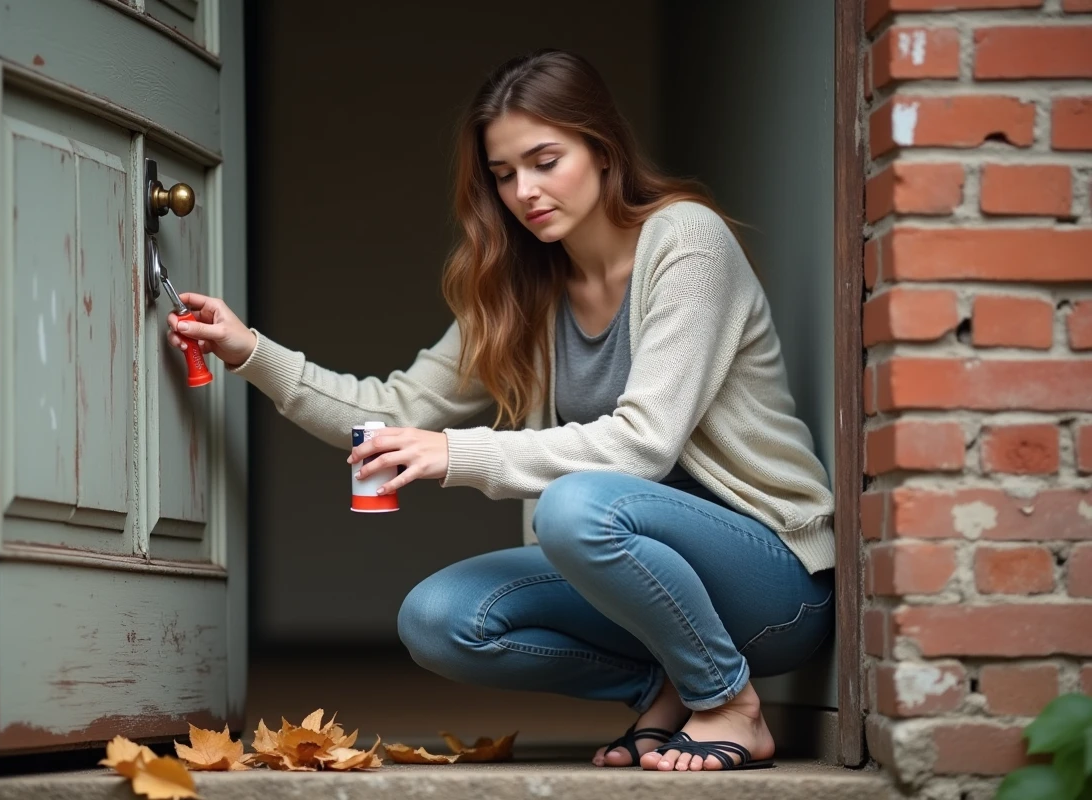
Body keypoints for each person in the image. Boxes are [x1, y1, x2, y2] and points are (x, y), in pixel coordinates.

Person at [167, 48, 836, 773]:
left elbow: (645, 444)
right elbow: (393, 409)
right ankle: (670, 686)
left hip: (774, 588)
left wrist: (458, 454)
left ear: (603, 148)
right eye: (504, 173)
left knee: (575, 508)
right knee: (438, 618)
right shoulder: (527, 287)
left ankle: (730, 700)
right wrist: (248, 350)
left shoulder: (686, 242)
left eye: (546, 160)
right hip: (647, 591)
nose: (525, 190)